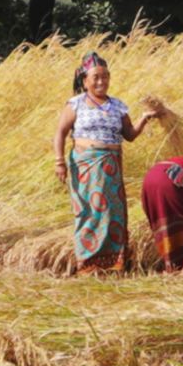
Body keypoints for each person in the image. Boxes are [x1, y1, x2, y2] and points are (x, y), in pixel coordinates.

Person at [53, 52, 159, 274]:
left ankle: (113, 264)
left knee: (113, 213)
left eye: (105, 77)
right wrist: (59, 161)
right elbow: (61, 133)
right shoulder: (76, 104)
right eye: (96, 77)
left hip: (111, 168)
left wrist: (145, 118)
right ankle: (88, 263)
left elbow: (129, 134)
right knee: (89, 211)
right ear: (85, 81)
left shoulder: (118, 106)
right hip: (86, 166)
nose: (101, 82)